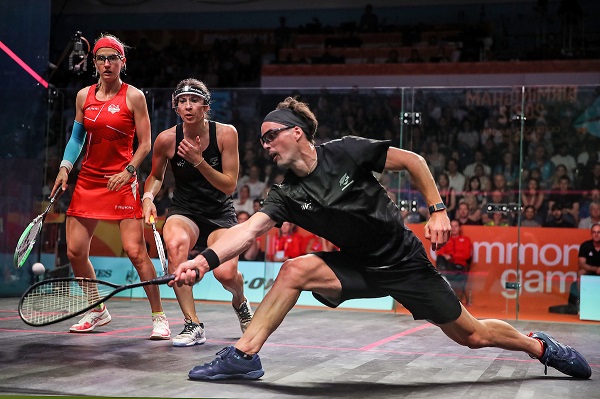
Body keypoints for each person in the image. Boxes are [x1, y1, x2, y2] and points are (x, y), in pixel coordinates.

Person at [170, 96, 591, 381]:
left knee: (474, 336)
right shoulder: (285, 193)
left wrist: (438, 208)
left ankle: (538, 346)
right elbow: (247, 230)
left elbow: (412, 160)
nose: (265, 146)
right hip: (360, 266)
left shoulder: (346, 152)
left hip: (405, 263)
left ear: (296, 132)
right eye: (261, 140)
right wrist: (202, 261)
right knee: (294, 270)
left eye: (270, 136)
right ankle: (245, 356)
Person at [50, 33, 169, 338]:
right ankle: (97, 310)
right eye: (101, 58)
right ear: (94, 63)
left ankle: (159, 316)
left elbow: (145, 144)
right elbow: (77, 138)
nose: (106, 63)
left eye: (112, 58)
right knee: (75, 252)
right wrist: (65, 167)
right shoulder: (83, 96)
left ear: (122, 62)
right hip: (87, 181)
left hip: (121, 181)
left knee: (135, 251)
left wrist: (129, 170)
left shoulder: (134, 97)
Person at [142, 78, 252, 347]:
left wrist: (199, 161)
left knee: (226, 275)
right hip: (184, 212)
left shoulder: (226, 134)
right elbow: (155, 176)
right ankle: (192, 324)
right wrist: (147, 197)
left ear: (205, 106)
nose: (188, 106)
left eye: (193, 100)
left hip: (219, 213)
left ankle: (240, 300)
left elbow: (229, 185)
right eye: (182, 101)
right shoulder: (167, 139)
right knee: (175, 246)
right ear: (176, 107)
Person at [436, 220, 472, 303]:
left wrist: (452, 257)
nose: (454, 228)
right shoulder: (446, 240)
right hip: (447, 266)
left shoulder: (466, 240)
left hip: (459, 267)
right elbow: (440, 253)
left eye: (456, 226)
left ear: (459, 228)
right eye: (451, 226)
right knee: (441, 259)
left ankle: (444, 282)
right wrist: (446, 256)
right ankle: (444, 281)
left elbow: (466, 255)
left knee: (442, 265)